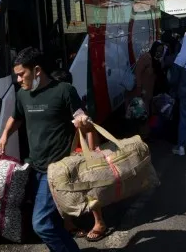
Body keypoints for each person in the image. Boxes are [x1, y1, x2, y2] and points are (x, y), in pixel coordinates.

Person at [0, 47, 94, 252]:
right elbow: (17, 118)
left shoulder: (64, 91)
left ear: (37, 70)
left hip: (58, 171)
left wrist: (82, 121)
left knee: (41, 223)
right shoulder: (23, 95)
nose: (18, 80)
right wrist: (4, 136)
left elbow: (81, 117)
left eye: (22, 74)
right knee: (52, 222)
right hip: (35, 169)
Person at [50, 69, 110, 242]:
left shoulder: (73, 102)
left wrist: (91, 154)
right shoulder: (56, 103)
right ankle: (68, 223)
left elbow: (89, 128)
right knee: (63, 188)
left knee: (89, 187)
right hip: (63, 154)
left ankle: (99, 223)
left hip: (80, 152)